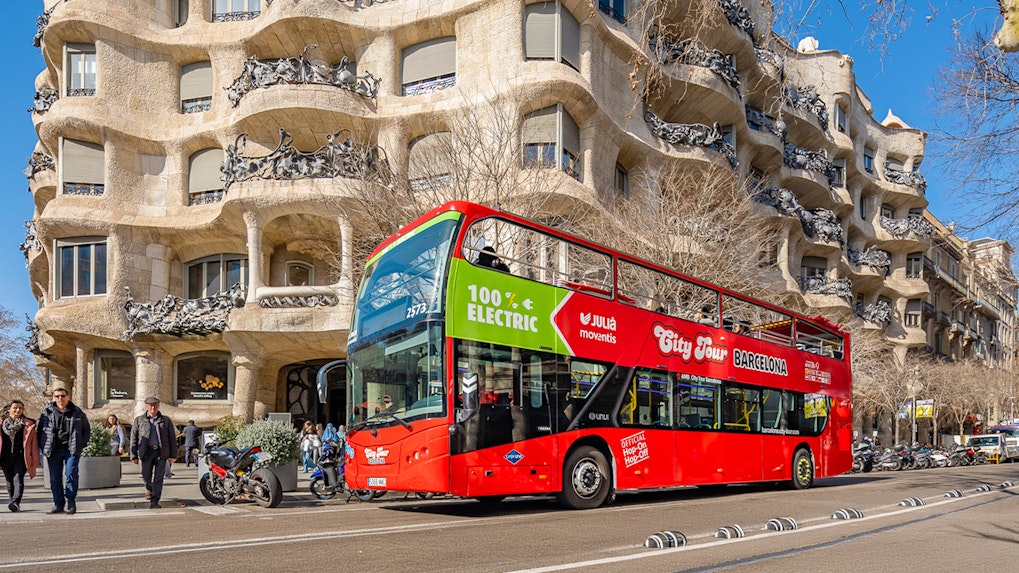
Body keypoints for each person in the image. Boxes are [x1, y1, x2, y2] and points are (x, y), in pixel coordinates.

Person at [37, 388, 90, 515]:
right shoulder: (47, 412)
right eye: (57, 396)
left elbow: (86, 430)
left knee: (71, 474)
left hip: (71, 449)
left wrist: (81, 444)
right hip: (53, 450)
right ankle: (58, 504)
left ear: (68, 397)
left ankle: (71, 502)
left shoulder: (77, 412)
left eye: (62, 396)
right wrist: (43, 446)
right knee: (55, 478)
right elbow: (40, 431)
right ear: (53, 398)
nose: (60, 398)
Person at [129, 396, 178, 509]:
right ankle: (149, 489)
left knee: (158, 478)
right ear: (146, 406)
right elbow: (134, 438)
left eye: (155, 405)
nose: (153, 407)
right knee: (146, 476)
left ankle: (155, 501)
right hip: (146, 452)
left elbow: (172, 439)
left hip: (161, 452)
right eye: (150, 405)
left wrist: (173, 455)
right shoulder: (139, 420)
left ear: (158, 406)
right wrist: (133, 456)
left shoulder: (165, 420)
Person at [1, 400, 40, 512]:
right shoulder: (1, 423)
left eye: (20, 408)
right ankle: (12, 501)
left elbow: (33, 444)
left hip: (21, 457)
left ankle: (16, 501)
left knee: (18, 479)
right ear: (9, 410)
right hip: (5, 456)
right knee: (9, 480)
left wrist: (34, 459)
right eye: (15, 408)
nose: (18, 410)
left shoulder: (28, 425)